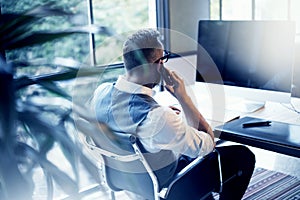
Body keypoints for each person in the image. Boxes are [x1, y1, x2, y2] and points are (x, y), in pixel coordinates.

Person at [91, 28, 255, 200]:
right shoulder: (157, 118)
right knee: (240, 156)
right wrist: (182, 97)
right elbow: (207, 145)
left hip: (127, 179)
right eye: (163, 59)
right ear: (156, 64)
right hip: (171, 187)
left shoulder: (100, 93)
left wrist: (164, 119)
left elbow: (123, 117)